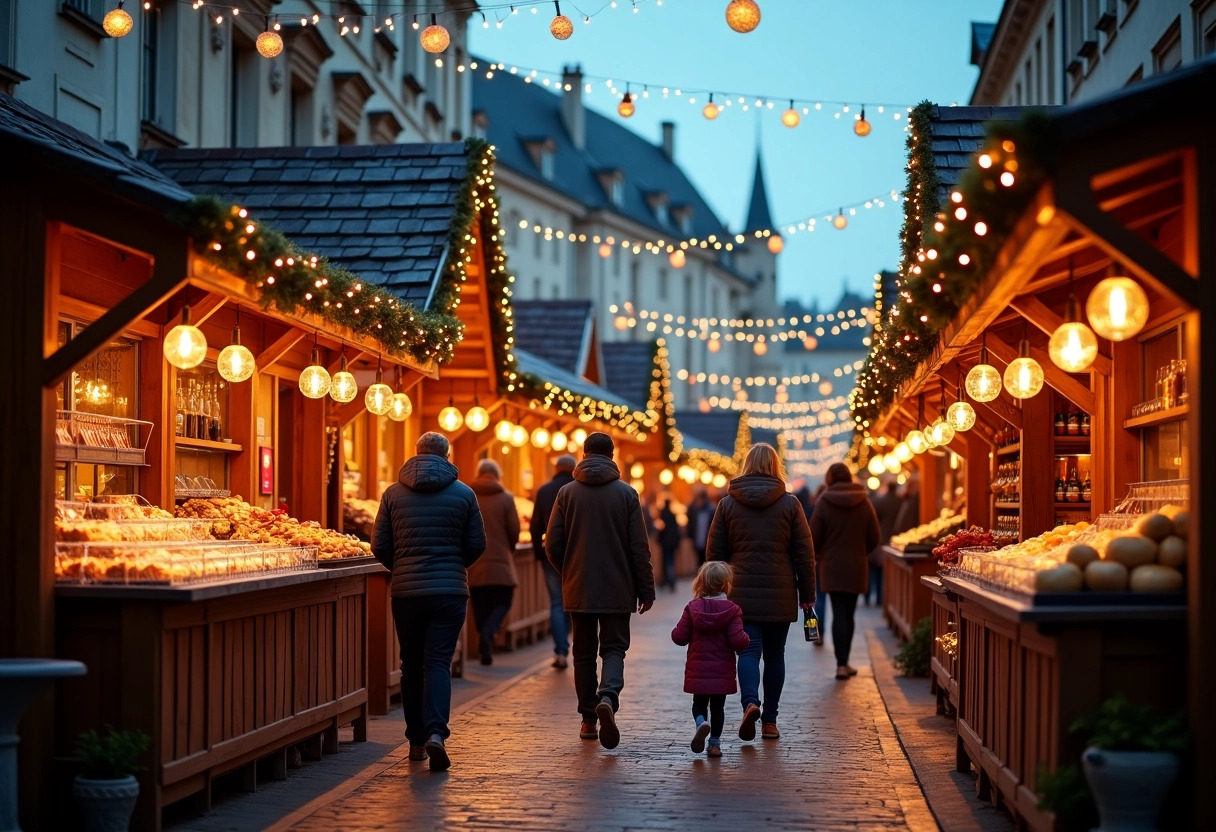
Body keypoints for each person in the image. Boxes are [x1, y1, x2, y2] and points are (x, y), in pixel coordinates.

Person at [372, 432, 486, 771]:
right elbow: (477, 543)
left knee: (411, 664)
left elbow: (380, 544)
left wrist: (403, 568)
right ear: (447, 455)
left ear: (417, 454)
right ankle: (437, 732)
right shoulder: (465, 493)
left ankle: (416, 742)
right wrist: (454, 566)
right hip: (450, 591)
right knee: (438, 662)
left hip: (407, 592)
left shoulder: (392, 494)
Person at [546, 432, 655, 750]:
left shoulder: (567, 493)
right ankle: (608, 695)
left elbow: (552, 544)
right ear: (611, 456)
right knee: (613, 649)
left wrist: (570, 572)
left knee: (581, 654)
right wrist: (645, 590)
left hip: (579, 587)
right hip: (618, 588)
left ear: (584, 454)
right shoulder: (627, 494)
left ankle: (588, 720)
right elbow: (639, 548)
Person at [707, 443, 815, 742]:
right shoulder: (791, 505)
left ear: (746, 464)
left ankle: (750, 702)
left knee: (748, 651)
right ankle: (770, 721)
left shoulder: (727, 504)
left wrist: (714, 593)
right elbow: (804, 554)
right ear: (775, 465)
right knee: (775, 655)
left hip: (739, 592)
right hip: (780, 591)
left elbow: (714, 554)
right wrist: (807, 594)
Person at [671, 561, 750, 758]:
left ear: (701, 584)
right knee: (718, 708)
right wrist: (748, 638)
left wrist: (675, 630)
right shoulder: (732, 611)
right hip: (721, 672)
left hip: (698, 670)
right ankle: (714, 744)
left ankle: (700, 722)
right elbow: (738, 641)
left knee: (698, 704)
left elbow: (679, 637)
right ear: (725, 585)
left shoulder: (692, 609)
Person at [811, 463, 881, 680]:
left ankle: (841, 664)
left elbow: (814, 537)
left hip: (831, 567)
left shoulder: (824, 502)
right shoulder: (864, 501)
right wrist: (860, 553)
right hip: (856, 566)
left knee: (838, 612)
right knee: (848, 615)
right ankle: (845, 662)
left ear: (830, 478)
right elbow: (874, 537)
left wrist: (822, 555)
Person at [468, 459, 521, 666]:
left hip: (475, 563)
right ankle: (490, 631)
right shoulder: (506, 498)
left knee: (479, 604)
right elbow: (514, 530)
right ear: (497, 475)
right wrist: (508, 547)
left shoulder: (468, 496)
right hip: (501, 562)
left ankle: (484, 634)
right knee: (503, 600)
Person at [530, 454, 576, 669]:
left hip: (551, 554)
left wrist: (539, 554)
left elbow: (536, 525)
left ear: (556, 468)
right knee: (577, 603)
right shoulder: (579, 489)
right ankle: (581, 650)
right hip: (578, 556)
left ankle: (560, 651)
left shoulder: (545, 490)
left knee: (557, 603)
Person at [867, 477, 904, 607]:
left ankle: (870, 596)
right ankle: (880, 598)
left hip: (882, 538)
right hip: (895, 538)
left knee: (874, 570)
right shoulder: (900, 502)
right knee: (882, 571)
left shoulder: (880, 502)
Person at [657, 500, 682, 593]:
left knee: (666, 562)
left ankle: (666, 581)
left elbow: (661, 528)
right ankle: (671, 582)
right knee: (671, 562)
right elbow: (676, 529)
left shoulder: (663, 515)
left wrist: (659, 539)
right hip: (672, 542)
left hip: (665, 543)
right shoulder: (672, 515)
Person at [687, 490, 716, 567]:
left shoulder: (711, 510)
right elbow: (692, 525)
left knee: (706, 562)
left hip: (708, 541)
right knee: (699, 561)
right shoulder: (695, 510)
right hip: (698, 541)